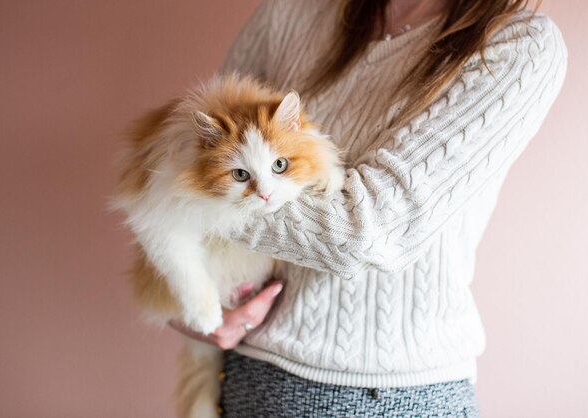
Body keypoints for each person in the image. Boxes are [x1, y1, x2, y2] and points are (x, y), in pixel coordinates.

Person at [170, 0, 567, 415]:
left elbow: (366, 232)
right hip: (247, 376)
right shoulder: (291, 10)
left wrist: (189, 202)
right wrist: (186, 293)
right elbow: (195, 154)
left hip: (391, 395)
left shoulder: (517, 44)